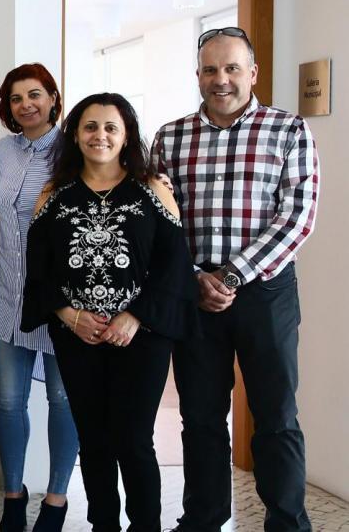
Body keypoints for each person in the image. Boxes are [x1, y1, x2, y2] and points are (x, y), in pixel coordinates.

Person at [153, 27, 319, 532]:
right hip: (195, 297)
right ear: (198, 74)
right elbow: (160, 220)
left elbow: (298, 216)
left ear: (252, 72)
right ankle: (203, 519)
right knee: (201, 418)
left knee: (276, 415)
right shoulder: (170, 136)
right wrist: (196, 279)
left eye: (230, 68)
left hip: (266, 292)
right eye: (209, 69)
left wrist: (229, 274)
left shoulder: (289, 131)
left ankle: (287, 522)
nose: (219, 79)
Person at [23, 93, 198, 532]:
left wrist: (133, 316)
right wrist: (67, 314)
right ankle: (103, 525)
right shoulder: (54, 195)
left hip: (142, 336)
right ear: (76, 135)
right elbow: (39, 267)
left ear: (126, 136)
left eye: (111, 127)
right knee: (94, 442)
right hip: (76, 336)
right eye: (90, 127)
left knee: (134, 441)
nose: (100, 135)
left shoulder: (153, 190)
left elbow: (173, 265)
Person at [0, 63, 78, 532]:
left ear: (52, 98)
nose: (27, 105)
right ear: (8, 106)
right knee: (9, 401)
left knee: (64, 400)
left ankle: (57, 499)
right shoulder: (0, 153)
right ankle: (15, 496)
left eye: (35, 94)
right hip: (9, 297)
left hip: (63, 306)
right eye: (17, 98)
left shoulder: (74, 150)